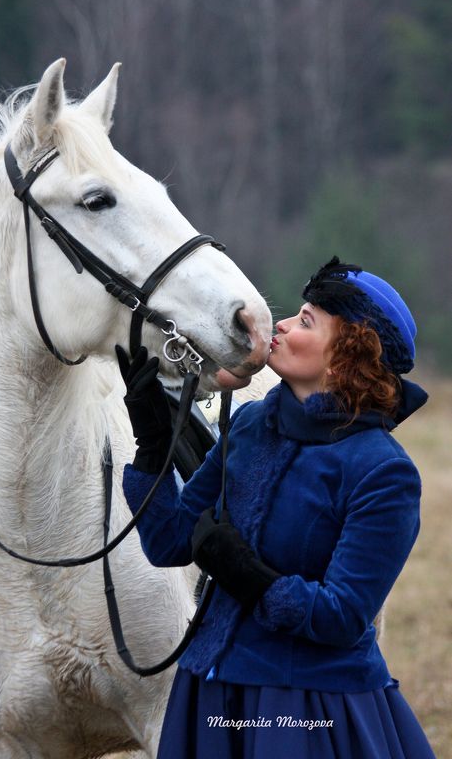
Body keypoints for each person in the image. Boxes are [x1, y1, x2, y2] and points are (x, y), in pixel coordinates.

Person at [117, 257, 436, 759]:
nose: (282, 324)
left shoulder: (382, 472)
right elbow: (169, 541)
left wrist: (249, 577)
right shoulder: (249, 425)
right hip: (209, 688)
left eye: (307, 320)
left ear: (347, 355)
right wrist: (154, 448)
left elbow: (342, 618)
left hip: (306, 707)